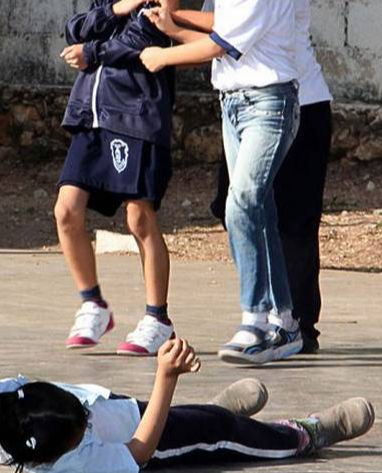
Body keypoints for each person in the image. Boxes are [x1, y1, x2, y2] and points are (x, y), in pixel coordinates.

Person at [0, 291, 374, 473]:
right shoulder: (80, 464)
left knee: (178, 412)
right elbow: (141, 451)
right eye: (81, 429)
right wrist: (164, 377)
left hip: (122, 409)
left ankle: (206, 412)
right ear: (64, 453)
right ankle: (302, 435)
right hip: (148, 441)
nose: (82, 423)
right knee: (214, 433)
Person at [140, 0, 304, 365]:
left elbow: (220, 44)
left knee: (241, 203)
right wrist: (174, 24)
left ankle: (255, 319)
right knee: (259, 211)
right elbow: (220, 25)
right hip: (233, 103)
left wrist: (162, 56)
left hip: (268, 102)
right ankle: (285, 323)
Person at [199, 0, 333, 355]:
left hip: (294, 101)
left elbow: (223, 36)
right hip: (242, 101)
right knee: (247, 210)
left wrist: (167, 31)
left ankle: (294, 323)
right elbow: (218, 22)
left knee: (288, 218)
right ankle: (282, 316)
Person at [55, 0, 179, 357]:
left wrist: (91, 51)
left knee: (139, 217)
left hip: (135, 115)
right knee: (66, 210)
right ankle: (93, 304)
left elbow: (144, 40)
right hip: (89, 117)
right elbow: (75, 28)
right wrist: (117, 8)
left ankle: (158, 319)